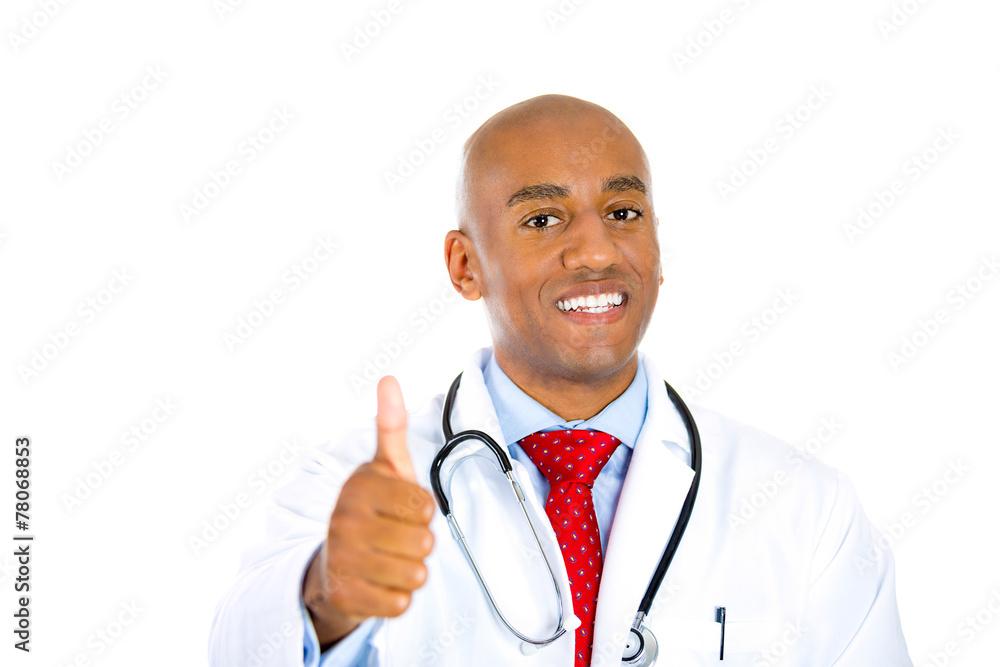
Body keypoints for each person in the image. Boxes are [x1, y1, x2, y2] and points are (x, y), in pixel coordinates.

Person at [208, 94, 912, 666]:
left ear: (659, 247)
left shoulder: (804, 509)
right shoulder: (350, 488)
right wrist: (328, 593)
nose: (597, 249)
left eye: (623, 213)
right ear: (464, 265)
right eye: (542, 218)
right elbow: (236, 651)